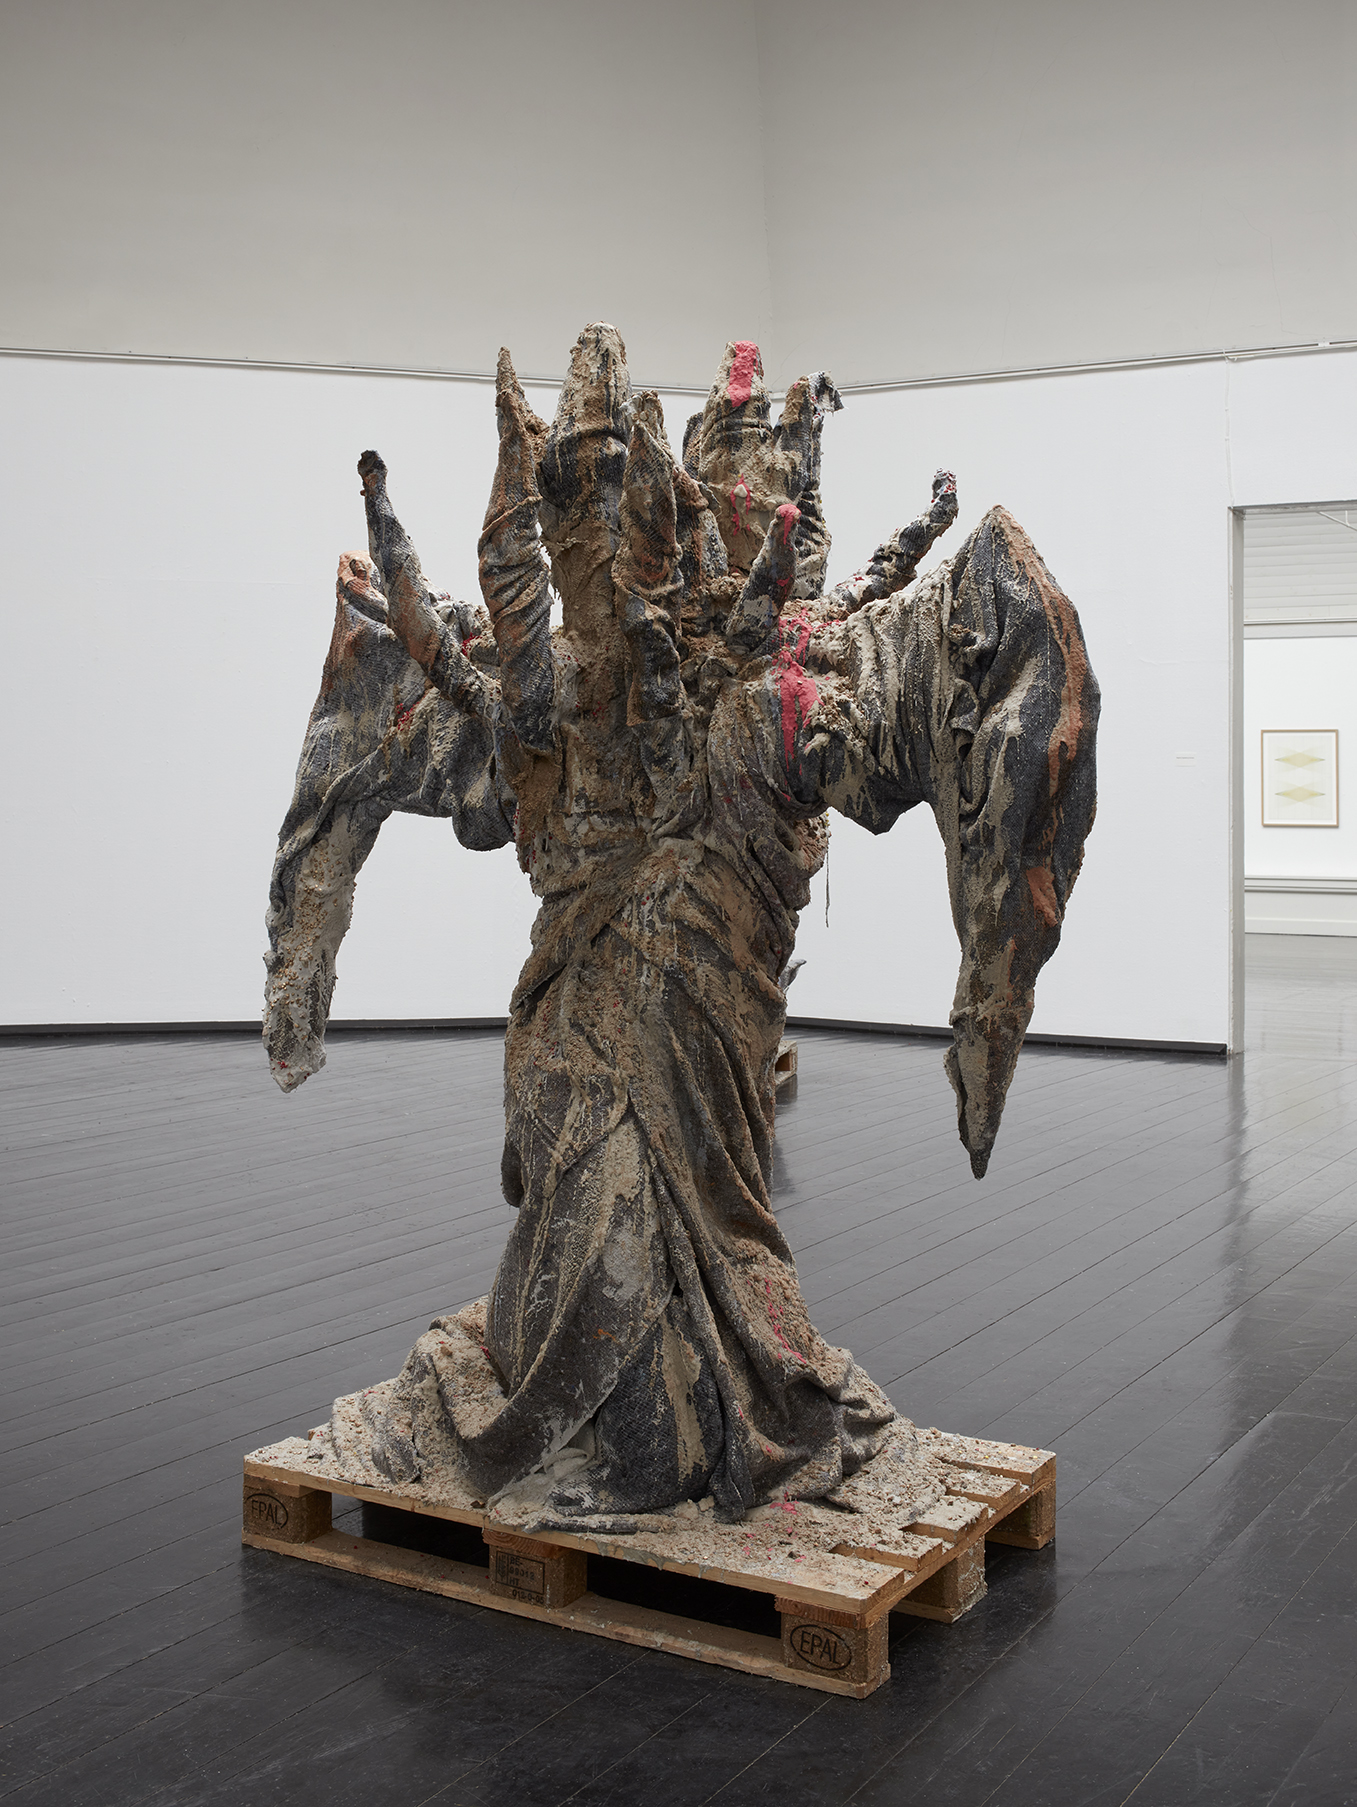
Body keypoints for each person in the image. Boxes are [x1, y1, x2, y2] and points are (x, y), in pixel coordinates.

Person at [264, 324, 1098, 1529]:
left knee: (705, 1214)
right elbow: (451, 665)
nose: (602, 537)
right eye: (577, 507)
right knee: (587, 1218)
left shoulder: (771, 678)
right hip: (578, 1023)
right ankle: (608, 1419)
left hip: (705, 1022)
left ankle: (695, 1411)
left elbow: (842, 726)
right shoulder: (541, 679)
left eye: (622, 501)